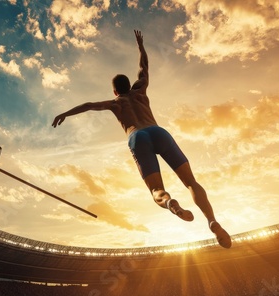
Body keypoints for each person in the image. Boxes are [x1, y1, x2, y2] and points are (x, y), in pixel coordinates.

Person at [52, 30, 232, 248]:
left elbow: (89, 105)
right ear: (129, 85)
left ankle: (169, 203)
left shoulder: (115, 103)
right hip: (158, 132)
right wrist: (141, 47)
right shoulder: (140, 90)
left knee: (156, 190)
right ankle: (211, 221)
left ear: (115, 90)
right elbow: (144, 68)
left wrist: (64, 114)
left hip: (137, 136)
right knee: (191, 182)